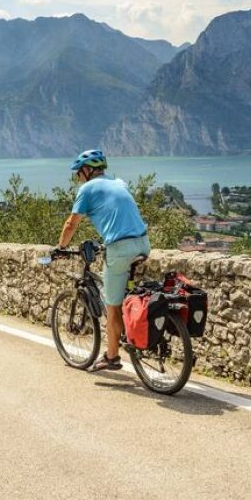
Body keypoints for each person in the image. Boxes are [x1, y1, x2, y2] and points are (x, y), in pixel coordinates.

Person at [55, 149, 150, 372]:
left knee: (113, 305)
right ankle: (132, 327)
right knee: (128, 292)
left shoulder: (86, 189)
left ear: (87, 171)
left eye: (78, 173)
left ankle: (112, 356)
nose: (78, 177)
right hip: (143, 243)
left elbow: (71, 223)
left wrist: (60, 248)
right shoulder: (119, 182)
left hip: (120, 248)